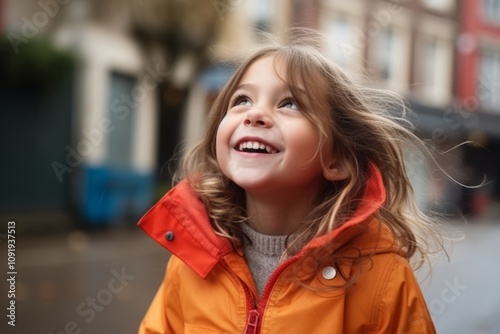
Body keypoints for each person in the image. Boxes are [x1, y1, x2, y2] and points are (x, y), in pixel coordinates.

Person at [137, 29, 442, 333]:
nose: (255, 114)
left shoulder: (384, 281)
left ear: (337, 160)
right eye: (242, 99)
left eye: (290, 104)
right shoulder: (193, 260)